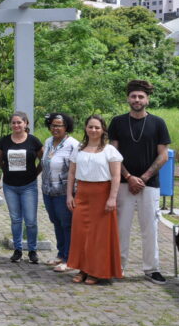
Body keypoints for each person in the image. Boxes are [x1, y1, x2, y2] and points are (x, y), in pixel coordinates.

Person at [108, 79, 171, 285]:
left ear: (147, 100)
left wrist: (143, 178)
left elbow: (163, 155)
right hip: (123, 183)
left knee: (150, 227)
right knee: (121, 227)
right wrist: (128, 177)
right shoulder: (118, 122)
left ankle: (152, 269)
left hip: (149, 184)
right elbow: (113, 153)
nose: (137, 99)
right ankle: (118, 267)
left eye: (141, 97)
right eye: (133, 96)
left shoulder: (158, 123)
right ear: (128, 99)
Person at [67, 115, 123, 285]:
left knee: (98, 237)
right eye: (90, 127)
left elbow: (116, 176)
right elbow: (71, 173)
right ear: (85, 128)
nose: (93, 130)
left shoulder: (110, 150)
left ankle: (96, 271)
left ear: (103, 130)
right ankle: (82, 269)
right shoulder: (78, 149)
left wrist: (112, 198)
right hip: (82, 194)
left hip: (102, 196)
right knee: (81, 234)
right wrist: (69, 195)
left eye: (97, 127)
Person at [0, 111, 43, 264]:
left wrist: (35, 173)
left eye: (19, 122)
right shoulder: (4, 141)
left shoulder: (33, 141)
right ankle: (17, 250)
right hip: (10, 186)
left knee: (30, 220)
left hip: (29, 186)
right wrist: (5, 171)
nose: (16, 125)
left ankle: (32, 250)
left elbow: (43, 160)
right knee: (16, 219)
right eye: (14, 122)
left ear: (26, 123)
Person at [40, 112, 78, 272]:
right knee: (56, 222)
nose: (55, 128)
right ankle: (61, 254)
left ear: (66, 127)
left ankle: (69, 259)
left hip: (64, 193)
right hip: (48, 191)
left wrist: (72, 194)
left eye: (59, 125)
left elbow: (75, 171)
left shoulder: (73, 145)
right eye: (52, 125)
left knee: (67, 224)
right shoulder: (48, 142)